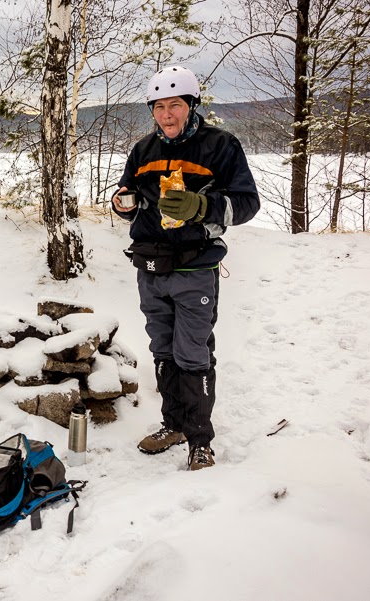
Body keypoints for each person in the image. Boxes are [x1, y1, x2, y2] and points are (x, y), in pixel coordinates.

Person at [111, 66, 259, 471]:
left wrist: (202, 207)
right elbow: (130, 197)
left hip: (195, 269)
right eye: (159, 107)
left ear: (192, 106)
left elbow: (247, 203)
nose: (166, 114)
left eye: (175, 105)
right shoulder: (143, 150)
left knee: (192, 353)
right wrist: (122, 204)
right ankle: (173, 424)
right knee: (163, 350)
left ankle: (200, 440)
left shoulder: (220, 146)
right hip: (151, 267)